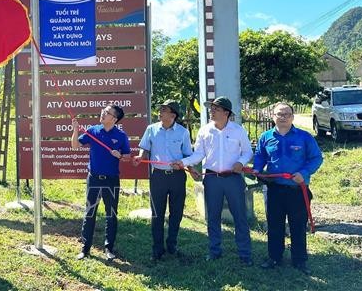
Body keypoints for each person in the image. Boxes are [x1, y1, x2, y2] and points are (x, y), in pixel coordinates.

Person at [172, 96, 254, 266]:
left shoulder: (238, 131)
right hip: (212, 179)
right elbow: (198, 154)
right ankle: (214, 250)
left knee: (240, 216)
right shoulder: (204, 131)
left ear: (226, 113)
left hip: (233, 179)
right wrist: (184, 162)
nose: (212, 111)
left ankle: (245, 254)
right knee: (213, 217)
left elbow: (247, 152)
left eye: (216, 109)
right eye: (211, 108)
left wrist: (241, 162)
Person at [253, 102, 323, 275]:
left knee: (298, 225)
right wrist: (257, 169)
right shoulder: (265, 137)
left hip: (297, 189)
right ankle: (274, 258)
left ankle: (299, 260)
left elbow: (316, 158)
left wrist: (304, 172)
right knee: (274, 225)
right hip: (273, 189)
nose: (283, 117)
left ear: (292, 116)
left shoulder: (304, 137)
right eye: (279, 114)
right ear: (273, 116)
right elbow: (260, 156)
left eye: (286, 114)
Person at [133, 100, 192, 261]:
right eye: (160, 109)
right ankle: (157, 249)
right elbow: (144, 148)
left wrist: (188, 167)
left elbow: (188, 154)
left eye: (164, 110)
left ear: (173, 115)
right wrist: (140, 157)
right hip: (158, 176)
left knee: (176, 213)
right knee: (157, 214)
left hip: (177, 177)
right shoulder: (151, 129)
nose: (160, 112)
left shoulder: (183, 132)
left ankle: (172, 245)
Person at [72, 105, 132, 261]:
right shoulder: (93, 131)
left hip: (111, 180)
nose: (102, 113)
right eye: (103, 111)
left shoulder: (121, 136)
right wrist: (75, 130)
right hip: (93, 179)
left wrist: (119, 155)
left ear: (114, 118)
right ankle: (85, 248)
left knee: (111, 214)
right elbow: (75, 146)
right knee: (89, 213)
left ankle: (109, 248)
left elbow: (127, 156)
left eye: (107, 112)